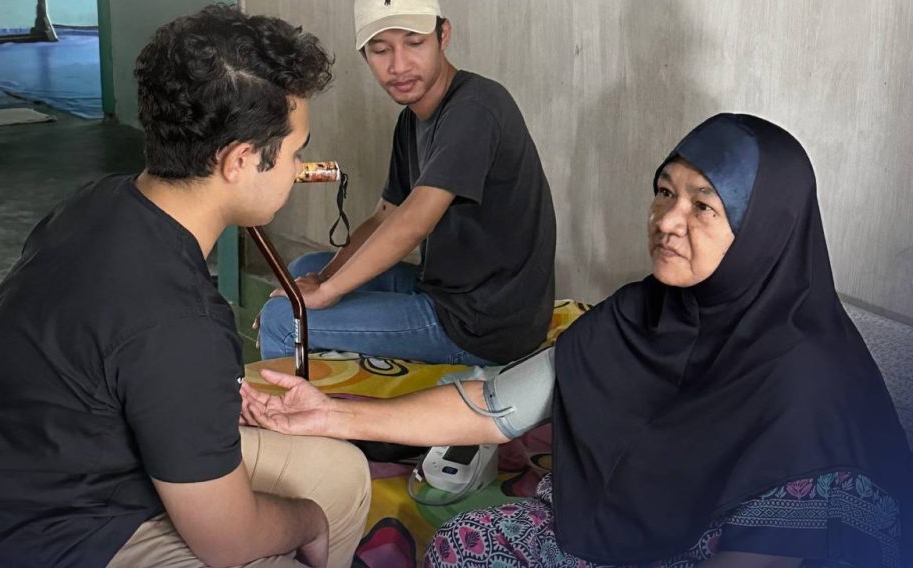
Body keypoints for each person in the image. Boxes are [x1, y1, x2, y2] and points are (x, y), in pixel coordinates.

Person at [241, 114, 912, 567]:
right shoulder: (646, 312)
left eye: (703, 206)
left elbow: (757, 556)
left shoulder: (806, 384)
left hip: (728, 550)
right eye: (664, 192)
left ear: (766, 229)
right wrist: (333, 415)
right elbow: (496, 406)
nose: (667, 220)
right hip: (636, 530)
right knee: (466, 543)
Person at [0, 5, 370, 568]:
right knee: (300, 521)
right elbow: (228, 542)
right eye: (295, 151)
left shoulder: (97, 201)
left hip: (48, 475)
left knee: (340, 472)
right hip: (48, 540)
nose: (298, 168)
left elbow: (119, 362)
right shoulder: (180, 321)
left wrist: (199, 404)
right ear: (239, 161)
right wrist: (306, 522)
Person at [258, 0, 556, 367]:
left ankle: (295, 407)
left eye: (414, 43)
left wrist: (327, 294)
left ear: (443, 35)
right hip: (445, 290)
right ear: (365, 55)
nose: (399, 65)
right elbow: (387, 215)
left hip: (481, 324)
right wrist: (324, 279)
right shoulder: (412, 120)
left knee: (283, 320)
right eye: (381, 50)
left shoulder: (476, 108)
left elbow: (414, 222)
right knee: (305, 269)